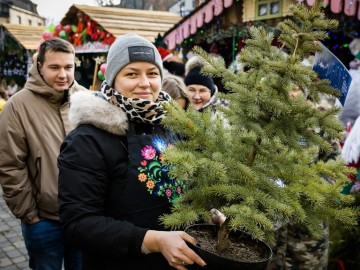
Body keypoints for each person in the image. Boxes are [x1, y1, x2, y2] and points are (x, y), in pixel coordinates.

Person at [57, 33, 206, 270]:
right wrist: (154, 240)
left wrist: (210, 213)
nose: (145, 83)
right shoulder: (87, 141)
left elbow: (188, 188)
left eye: (152, 73)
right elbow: (78, 224)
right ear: (113, 80)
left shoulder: (172, 127)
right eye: (132, 74)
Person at [0, 37, 86, 270]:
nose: (63, 74)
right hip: (43, 221)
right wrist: (29, 214)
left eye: (68, 67)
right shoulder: (17, 106)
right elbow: (10, 166)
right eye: (54, 67)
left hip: (85, 217)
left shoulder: (86, 100)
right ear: (39, 66)